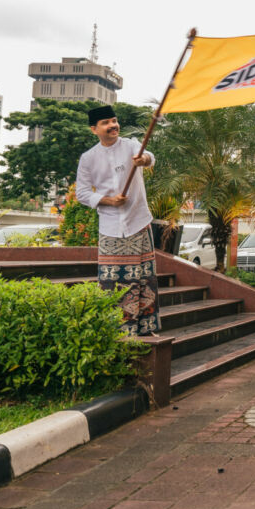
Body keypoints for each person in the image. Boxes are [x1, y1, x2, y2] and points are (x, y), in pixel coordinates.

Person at [75, 105, 160, 336]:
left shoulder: (131, 145)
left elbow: (149, 157)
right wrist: (107, 200)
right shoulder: (88, 158)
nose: (113, 125)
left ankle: (145, 329)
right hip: (111, 226)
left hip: (139, 221)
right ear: (94, 129)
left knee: (144, 279)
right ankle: (117, 331)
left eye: (114, 120)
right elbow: (81, 193)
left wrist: (143, 160)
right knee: (111, 281)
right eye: (106, 123)